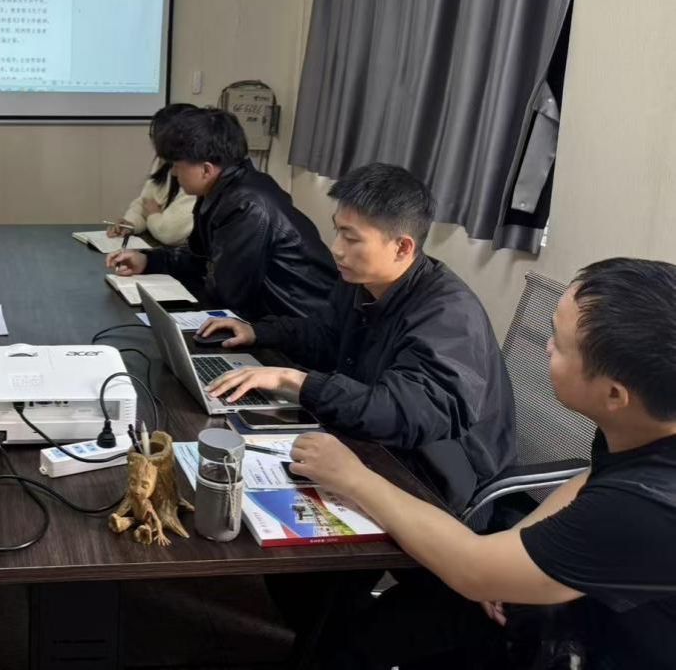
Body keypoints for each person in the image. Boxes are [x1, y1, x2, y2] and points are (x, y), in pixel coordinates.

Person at [289, 257, 676, 670]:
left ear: (615, 394)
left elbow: (472, 568)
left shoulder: (647, 506)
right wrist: (513, 552)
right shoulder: (642, 424)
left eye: (560, 345)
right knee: (378, 628)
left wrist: (352, 477)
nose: (547, 347)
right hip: (576, 598)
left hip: (612, 646)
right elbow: (593, 477)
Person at [203, 163, 515, 511]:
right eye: (337, 232)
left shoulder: (449, 315)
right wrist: (258, 332)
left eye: (351, 238)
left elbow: (400, 413)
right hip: (376, 442)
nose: (336, 249)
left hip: (436, 476)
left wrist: (294, 381)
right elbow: (326, 335)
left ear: (402, 247)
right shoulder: (363, 281)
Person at [106, 106, 336, 321]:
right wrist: (147, 261)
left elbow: (228, 294)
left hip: (296, 326)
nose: (174, 173)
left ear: (206, 170)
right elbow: (199, 259)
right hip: (267, 319)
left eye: (178, 166)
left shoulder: (247, 206)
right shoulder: (219, 190)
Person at [106, 103, 199, 247]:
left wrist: (153, 214)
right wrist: (130, 224)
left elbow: (170, 233)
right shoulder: (163, 162)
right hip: (163, 248)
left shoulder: (195, 171)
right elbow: (145, 202)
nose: (155, 145)